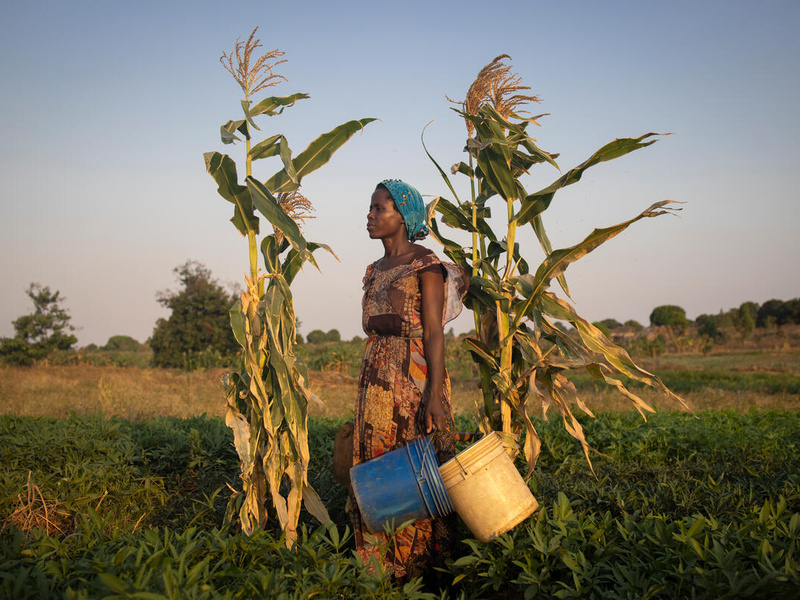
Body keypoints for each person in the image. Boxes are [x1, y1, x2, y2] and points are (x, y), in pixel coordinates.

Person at [347, 179, 469, 584]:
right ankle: (382, 570)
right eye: (371, 208)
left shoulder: (426, 265)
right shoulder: (373, 270)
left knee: (417, 468)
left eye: (379, 208)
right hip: (376, 378)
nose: (370, 215)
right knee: (378, 467)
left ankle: (422, 570)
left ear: (403, 215)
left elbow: (434, 332)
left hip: (414, 378)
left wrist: (434, 395)